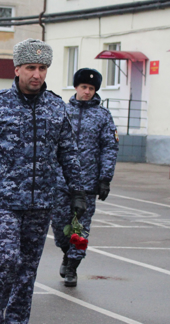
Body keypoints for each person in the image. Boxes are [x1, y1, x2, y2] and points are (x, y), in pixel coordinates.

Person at [0, 38, 86, 324]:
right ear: (17, 68)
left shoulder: (56, 107)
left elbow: (68, 152)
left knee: (28, 269)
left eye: (42, 68)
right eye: (31, 68)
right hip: (4, 199)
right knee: (6, 260)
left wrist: (77, 191)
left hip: (41, 202)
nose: (37, 74)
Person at [51, 68, 119, 287]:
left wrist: (105, 178)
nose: (87, 92)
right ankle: (66, 251)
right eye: (83, 87)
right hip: (61, 182)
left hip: (88, 183)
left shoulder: (103, 116)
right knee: (60, 226)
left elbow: (110, 147)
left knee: (81, 227)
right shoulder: (62, 111)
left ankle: (72, 266)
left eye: (91, 88)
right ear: (76, 88)